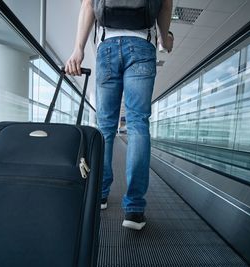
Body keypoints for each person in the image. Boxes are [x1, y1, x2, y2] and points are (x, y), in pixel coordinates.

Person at [65, 0, 173, 230]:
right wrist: (164, 38)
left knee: (105, 127)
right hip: (143, 44)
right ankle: (134, 210)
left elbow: (88, 5)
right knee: (138, 124)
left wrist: (78, 48)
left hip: (108, 45)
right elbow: (165, 3)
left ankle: (100, 194)